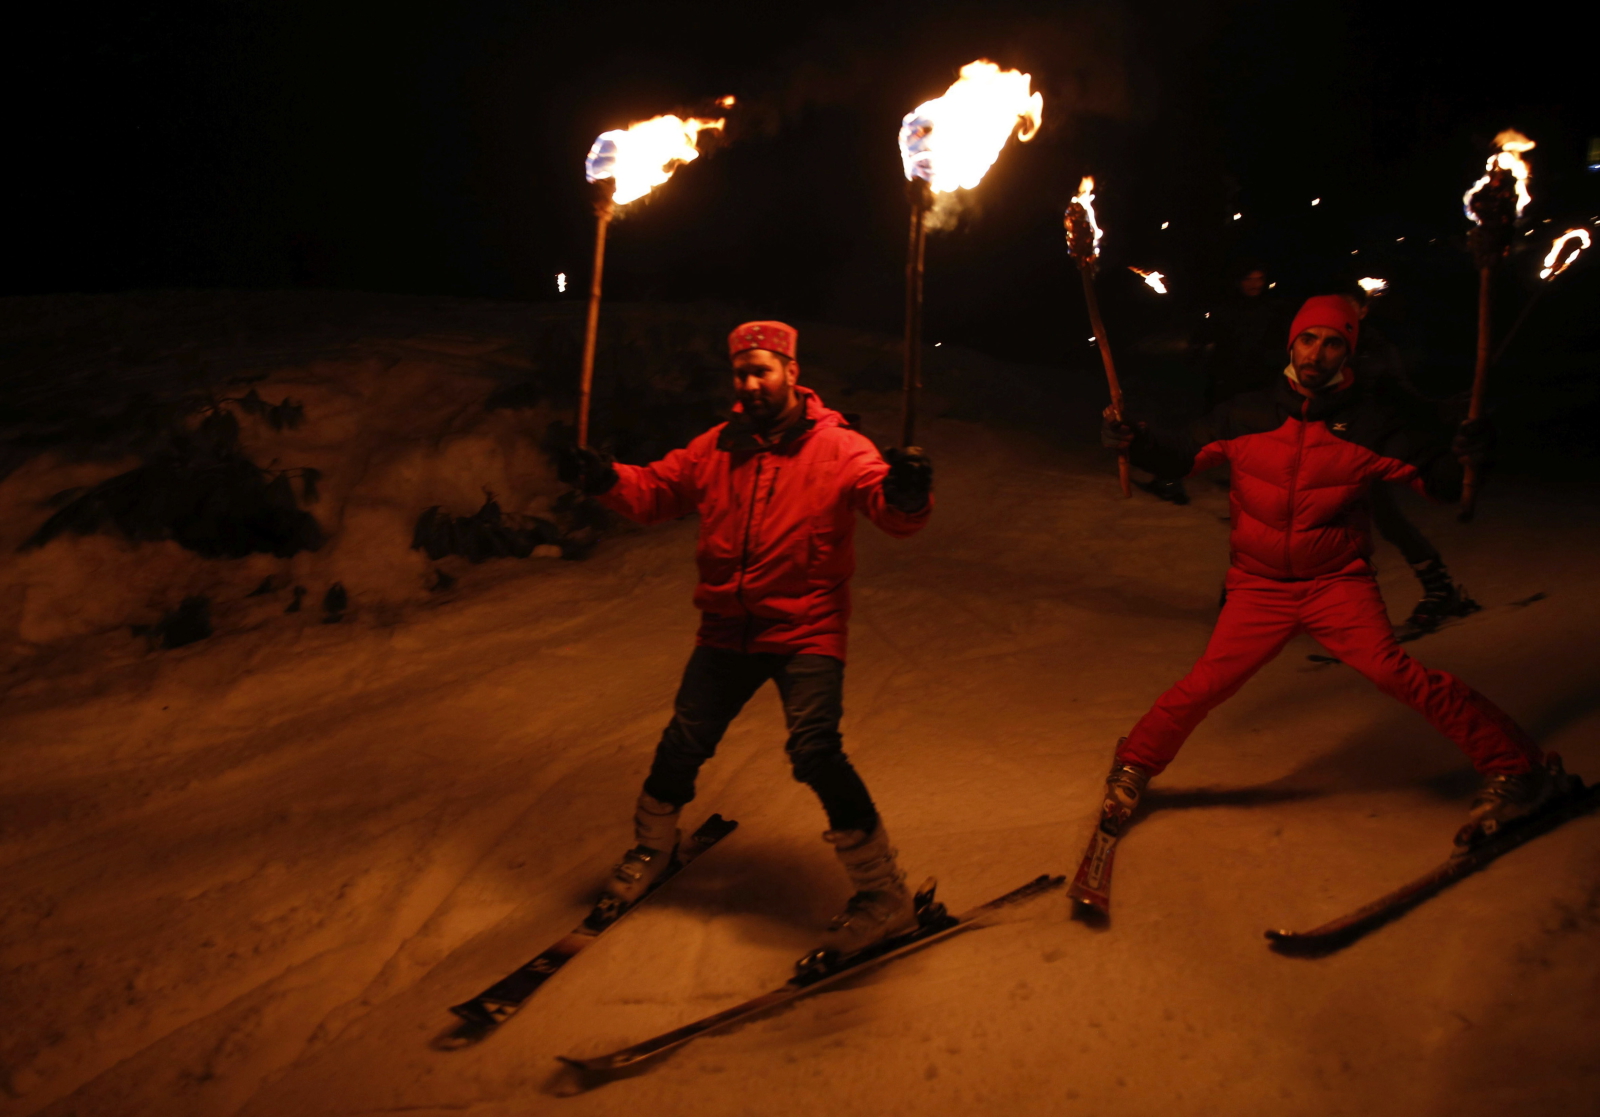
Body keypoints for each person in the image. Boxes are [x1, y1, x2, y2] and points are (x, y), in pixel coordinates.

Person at [1099, 295, 1578, 856]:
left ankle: (1519, 769)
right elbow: (1179, 455)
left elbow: (1443, 482)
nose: (1317, 354)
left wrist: (1474, 453)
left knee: (1398, 674)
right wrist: (1134, 438)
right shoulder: (1247, 413)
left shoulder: (1371, 423)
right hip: (1259, 588)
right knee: (1206, 684)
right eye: (1309, 339)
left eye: (1333, 343)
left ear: (1347, 352)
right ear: (1292, 344)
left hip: (1336, 586)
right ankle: (1133, 765)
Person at [558, 320, 935, 958]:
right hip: (727, 628)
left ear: (791, 371)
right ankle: (652, 845)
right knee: (683, 740)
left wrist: (906, 494)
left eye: (763, 370)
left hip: (805, 625)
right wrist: (604, 479)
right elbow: (657, 492)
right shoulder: (717, 446)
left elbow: (887, 509)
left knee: (815, 752)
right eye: (742, 373)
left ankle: (884, 892)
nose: (752, 383)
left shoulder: (840, 447)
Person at [1345, 287, 1479, 631]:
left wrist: (1444, 409)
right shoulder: (1318, 344)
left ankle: (1440, 589)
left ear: (1363, 311)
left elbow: (1404, 396)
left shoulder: (1377, 349)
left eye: (1350, 307)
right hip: (1321, 447)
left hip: (1362, 447)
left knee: (1382, 519)